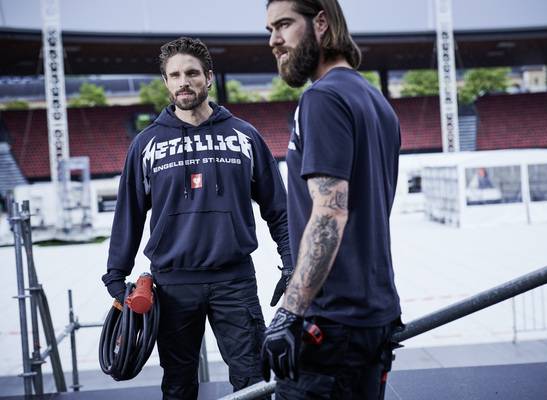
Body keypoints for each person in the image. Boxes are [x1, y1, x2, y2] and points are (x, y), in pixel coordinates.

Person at [101, 37, 293, 400]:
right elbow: (128, 214)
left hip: (234, 281)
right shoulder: (146, 144)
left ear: (209, 77)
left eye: (191, 73)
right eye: (174, 75)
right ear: (166, 82)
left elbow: (279, 209)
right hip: (172, 284)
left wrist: (291, 261)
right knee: (178, 385)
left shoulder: (244, 136)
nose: (183, 82)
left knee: (253, 382)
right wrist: (115, 276)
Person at [262, 1, 403, 398]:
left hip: (331, 325)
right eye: (269, 30)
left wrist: (290, 310)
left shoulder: (322, 99)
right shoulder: (376, 101)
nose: (274, 40)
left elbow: (330, 213)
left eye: (284, 25)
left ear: (321, 23)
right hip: (374, 316)